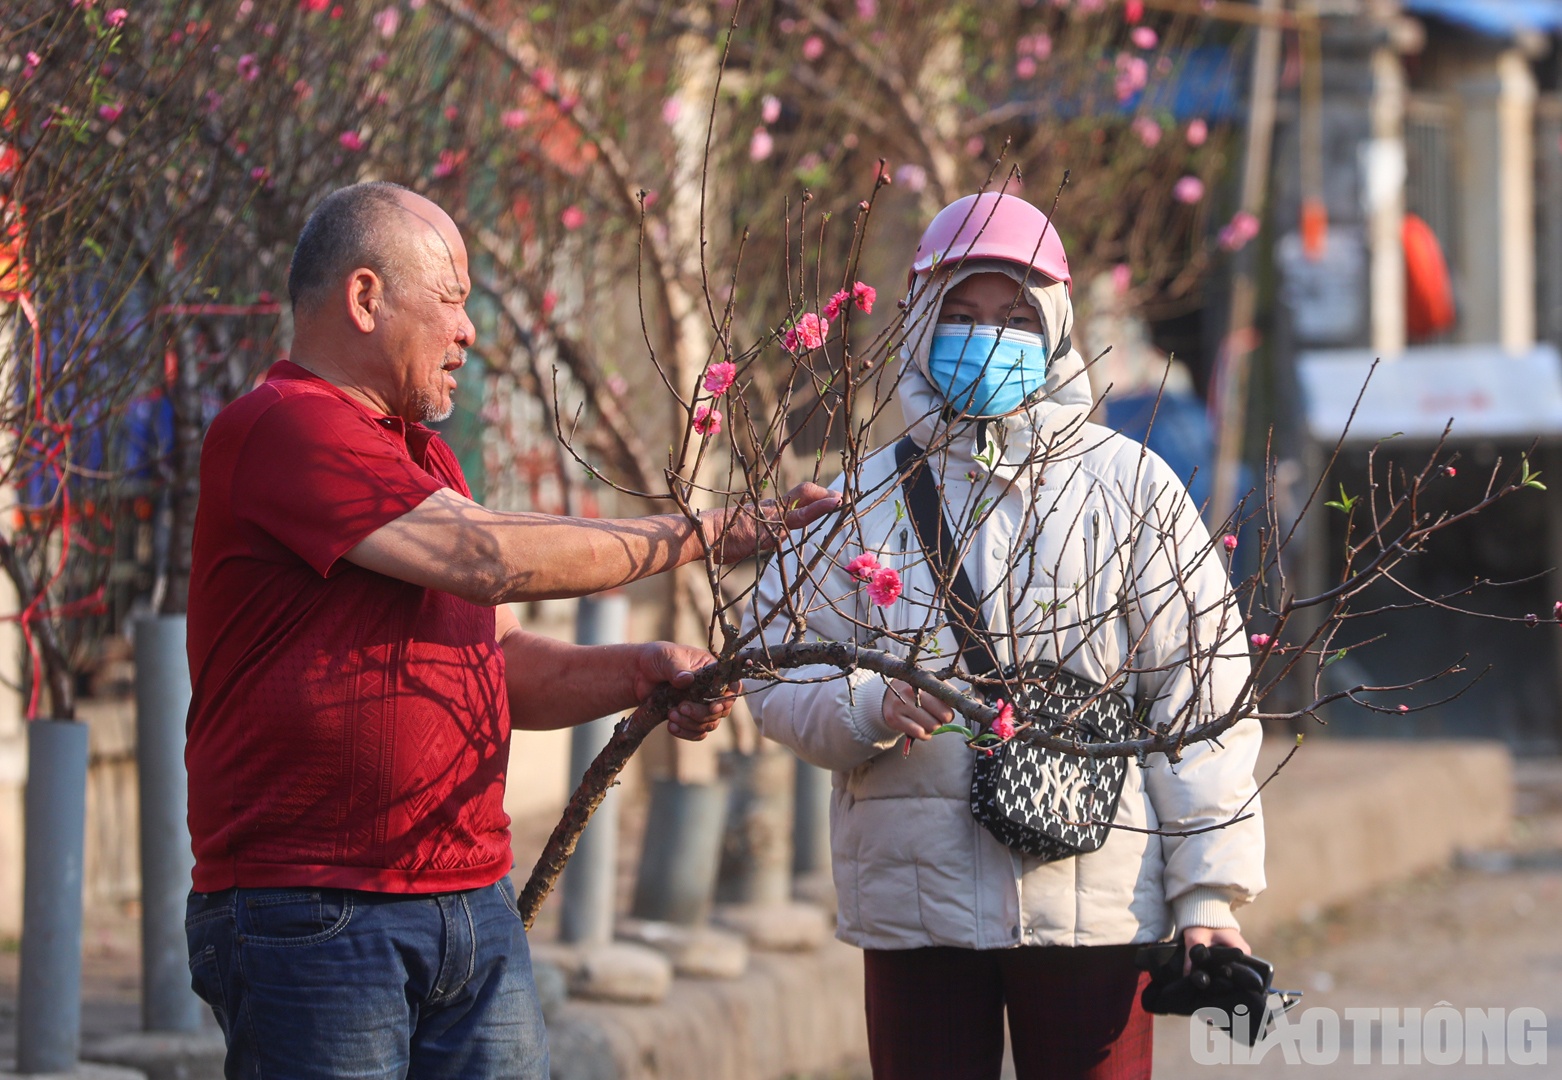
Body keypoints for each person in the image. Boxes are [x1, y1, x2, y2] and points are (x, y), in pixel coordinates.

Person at [183, 181, 839, 1079]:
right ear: (366, 298)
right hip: (320, 911)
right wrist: (710, 531)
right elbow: (488, 557)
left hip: (468, 898)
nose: (469, 330)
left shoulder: (422, 454)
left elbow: (479, 661)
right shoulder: (283, 428)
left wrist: (639, 670)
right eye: (452, 299)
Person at [744, 192, 1265, 1080]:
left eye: (1016, 316)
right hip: (916, 906)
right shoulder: (859, 500)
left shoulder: (1128, 488)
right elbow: (770, 671)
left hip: (1091, 903)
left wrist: (1208, 889)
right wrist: (870, 705)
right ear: (918, 326)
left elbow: (1202, 694)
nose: (988, 337)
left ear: (1057, 326)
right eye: (962, 314)